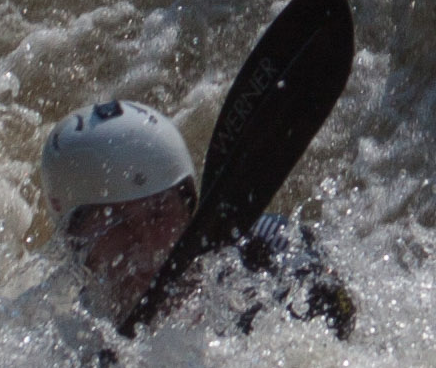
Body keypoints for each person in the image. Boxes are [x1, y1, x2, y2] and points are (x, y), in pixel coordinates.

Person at [37, 97, 355, 337]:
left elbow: (341, 313)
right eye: (116, 223)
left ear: (189, 211)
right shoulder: (67, 340)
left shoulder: (262, 247)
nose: (145, 241)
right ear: (75, 242)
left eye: (159, 213)